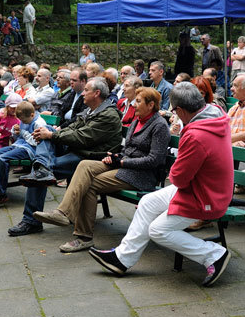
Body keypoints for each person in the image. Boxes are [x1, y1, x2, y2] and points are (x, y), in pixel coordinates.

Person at [88, 82, 234, 287]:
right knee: (147, 202)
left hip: (206, 195)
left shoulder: (195, 134)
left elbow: (178, 178)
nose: (174, 115)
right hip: (203, 186)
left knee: (158, 230)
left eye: (174, 111)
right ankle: (122, 258)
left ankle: (214, 255)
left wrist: (176, 170)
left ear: (181, 110)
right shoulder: (215, 115)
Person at [34, 87, 170, 252]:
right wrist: (115, 157)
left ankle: (84, 237)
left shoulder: (159, 126)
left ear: (151, 105)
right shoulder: (136, 121)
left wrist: (122, 162)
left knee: (89, 184)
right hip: (124, 165)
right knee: (85, 164)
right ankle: (63, 213)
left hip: (141, 175)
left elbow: (154, 160)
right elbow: (127, 150)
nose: (134, 105)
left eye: (139, 101)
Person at [8, 78, 123, 236]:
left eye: (86, 90)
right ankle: (42, 168)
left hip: (90, 158)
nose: (82, 93)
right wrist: (52, 133)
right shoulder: (90, 111)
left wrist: (52, 135)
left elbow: (82, 137)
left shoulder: (108, 115)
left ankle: (31, 221)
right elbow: (72, 128)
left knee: (39, 171)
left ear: (96, 93)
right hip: (77, 150)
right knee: (46, 135)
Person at [0, 100, 47, 208]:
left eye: (23, 120)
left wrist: (22, 132)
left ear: (32, 115)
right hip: (18, 145)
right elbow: (18, 138)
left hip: (30, 150)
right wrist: (15, 132)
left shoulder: (39, 123)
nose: (22, 122)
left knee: (1, 159)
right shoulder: (24, 118)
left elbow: (36, 142)